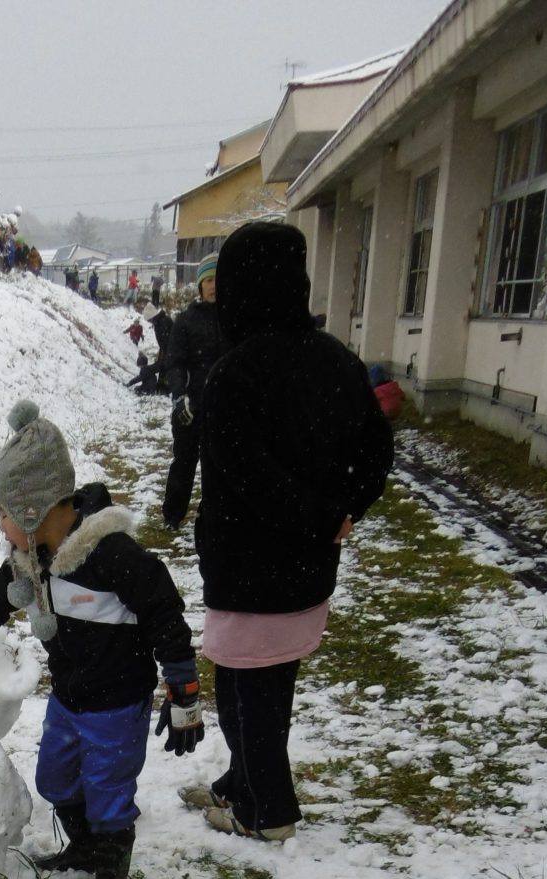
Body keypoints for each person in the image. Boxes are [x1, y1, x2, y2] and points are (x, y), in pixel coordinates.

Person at [189, 220, 394, 841]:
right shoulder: (337, 359)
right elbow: (377, 449)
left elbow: (249, 477)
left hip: (250, 565)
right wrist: (344, 511)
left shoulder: (236, 373)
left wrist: (321, 515)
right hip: (307, 566)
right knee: (268, 680)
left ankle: (267, 810)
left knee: (247, 690)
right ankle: (243, 781)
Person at [0, 401, 201, 879]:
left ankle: (109, 874)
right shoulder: (29, 559)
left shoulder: (112, 557)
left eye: (4, 514)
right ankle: (82, 847)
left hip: (117, 704)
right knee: (54, 780)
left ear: (33, 510)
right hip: (68, 699)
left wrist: (183, 690)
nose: (1, 525)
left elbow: (165, 614)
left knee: (107, 791)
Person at [162, 252, 224, 530]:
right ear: (200, 285)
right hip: (192, 406)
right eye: (208, 280)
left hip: (224, 407)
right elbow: (174, 362)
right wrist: (180, 396)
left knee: (220, 466)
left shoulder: (235, 320)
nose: (213, 286)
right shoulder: (186, 321)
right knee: (184, 461)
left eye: (218, 280)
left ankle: (215, 516)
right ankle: (173, 515)